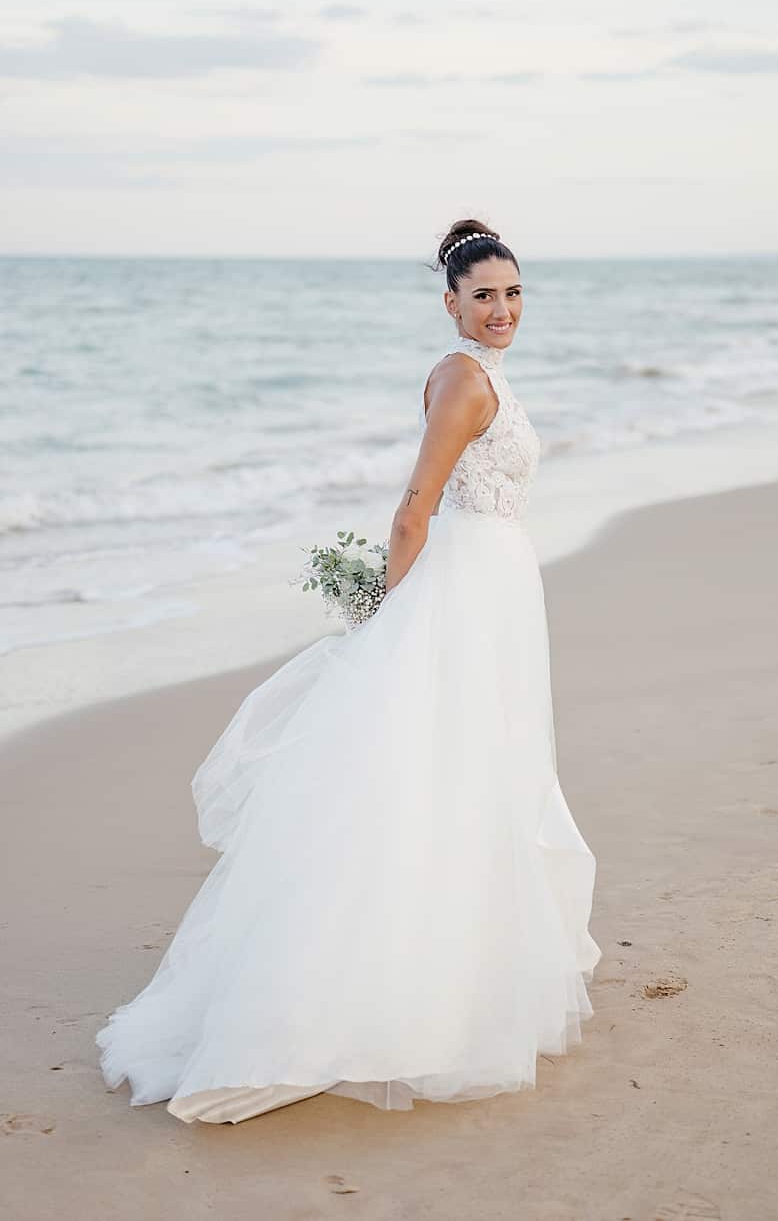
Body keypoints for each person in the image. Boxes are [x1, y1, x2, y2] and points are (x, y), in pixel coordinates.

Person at [95, 220, 602, 1124]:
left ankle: (454, 962)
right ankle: (352, 998)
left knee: (472, 772)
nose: (501, 309)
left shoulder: (487, 375)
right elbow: (415, 506)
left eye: (514, 292)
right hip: (455, 594)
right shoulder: (459, 379)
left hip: (490, 592)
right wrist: (386, 612)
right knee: (422, 778)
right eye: (483, 295)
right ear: (450, 304)